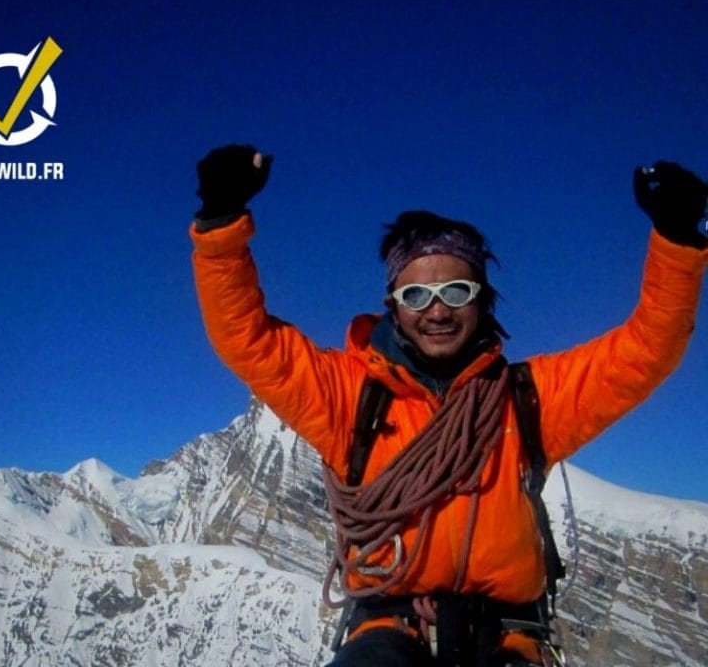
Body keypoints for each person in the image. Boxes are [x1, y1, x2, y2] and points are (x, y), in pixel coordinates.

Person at [189, 145, 708, 666]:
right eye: (416, 296)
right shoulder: (351, 397)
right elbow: (248, 338)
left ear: (483, 300)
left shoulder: (526, 399)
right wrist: (221, 224)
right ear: (392, 306)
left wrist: (677, 244)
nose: (437, 311)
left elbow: (646, 351)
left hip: (508, 635)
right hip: (387, 627)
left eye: (456, 292)